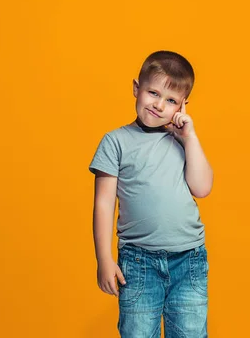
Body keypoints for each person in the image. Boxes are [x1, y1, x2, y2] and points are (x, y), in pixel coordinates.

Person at [89, 50, 213, 337]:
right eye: (153, 93)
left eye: (170, 100)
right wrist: (104, 259)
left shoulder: (182, 142)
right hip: (138, 263)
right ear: (136, 88)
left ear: (183, 105)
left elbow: (203, 187)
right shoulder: (115, 142)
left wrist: (190, 137)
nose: (159, 105)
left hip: (188, 260)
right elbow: (104, 204)